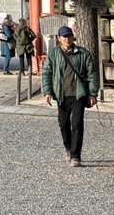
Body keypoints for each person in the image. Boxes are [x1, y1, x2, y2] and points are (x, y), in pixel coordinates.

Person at [41, 25, 100, 167]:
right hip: (62, 94)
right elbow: (47, 73)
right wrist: (48, 92)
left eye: (69, 36)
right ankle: (67, 147)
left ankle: (75, 156)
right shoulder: (54, 54)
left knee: (77, 124)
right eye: (64, 36)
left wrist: (92, 93)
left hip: (79, 94)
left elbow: (92, 73)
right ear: (59, 38)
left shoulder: (83, 53)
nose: (67, 39)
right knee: (63, 124)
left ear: (73, 37)